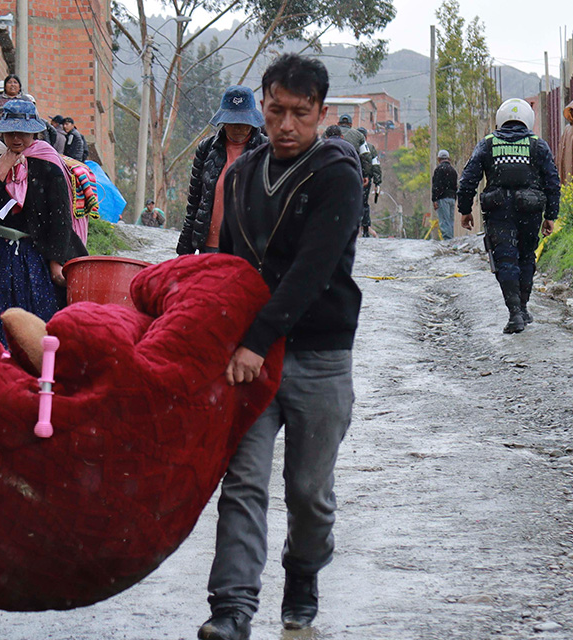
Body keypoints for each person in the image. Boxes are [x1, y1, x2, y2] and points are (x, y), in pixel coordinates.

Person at [201, 53, 362, 640]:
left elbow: (313, 270)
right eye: (276, 111)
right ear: (262, 105)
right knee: (242, 482)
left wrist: (256, 338)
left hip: (320, 354)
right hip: (252, 356)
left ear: (321, 113)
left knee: (308, 492)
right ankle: (231, 608)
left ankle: (302, 577)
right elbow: (231, 265)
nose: (286, 124)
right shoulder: (241, 175)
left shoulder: (338, 174)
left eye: (301, 113)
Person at [0, 99, 86, 345]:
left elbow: (60, 219)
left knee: (35, 320)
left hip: (34, 256)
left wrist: (56, 261)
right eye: (10, 132)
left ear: (35, 132)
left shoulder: (48, 165)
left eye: (23, 132)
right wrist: (1, 171)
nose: (16, 138)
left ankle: (33, 370)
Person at [457, 98, 561, 334]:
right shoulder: (538, 145)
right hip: (530, 212)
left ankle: (515, 312)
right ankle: (522, 308)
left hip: (498, 211)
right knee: (526, 258)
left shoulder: (487, 144)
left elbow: (468, 180)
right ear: (528, 119)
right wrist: (550, 216)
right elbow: (552, 182)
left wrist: (465, 210)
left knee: (505, 260)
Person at [177, 85, 268, 255]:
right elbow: (195, 203)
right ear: (224, 122)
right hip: (211, 245)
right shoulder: (206, 149)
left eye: (243, 123)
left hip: (249, 248)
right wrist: (185, 250)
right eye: (233, 123)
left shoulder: (268, 150)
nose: (238, 128)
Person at [357, 126, 382, 238]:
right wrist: (377, 182)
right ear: (366, 137)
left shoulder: (352, 146)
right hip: (366, 181)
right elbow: (376, 166)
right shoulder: (371, 148)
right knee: (364, 204)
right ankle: (365, 229)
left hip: (353, 178)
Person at [431, 149, 458, 240]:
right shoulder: (453, 170)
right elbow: (455, 186)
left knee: (444, 221)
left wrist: (434, 199)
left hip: (442, 198)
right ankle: (451, 240)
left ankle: (447, 241)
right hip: (452, 198)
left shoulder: (439, 170)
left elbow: (436, 186)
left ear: (439, 159)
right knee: (450, 221)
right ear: (448, 158)